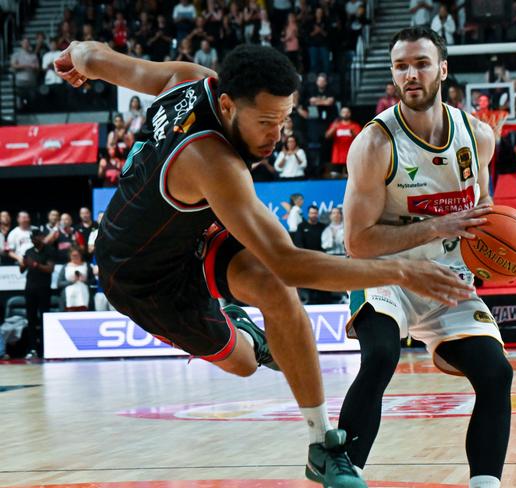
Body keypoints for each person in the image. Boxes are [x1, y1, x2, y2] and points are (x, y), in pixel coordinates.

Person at [55, 40, 472, 488]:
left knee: (276, 290)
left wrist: (74, 57)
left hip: (194, 229)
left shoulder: (190, 78)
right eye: (267, 122)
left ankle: (323, 448)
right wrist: (404, 270)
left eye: (285, 118)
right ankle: (245, 332)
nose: (276, 134)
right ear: (230, 104)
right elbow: (292, 263)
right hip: (140, 275)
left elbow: (94, 57)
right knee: (244, 362)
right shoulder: (213, 161)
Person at [338, 27, 512, 488]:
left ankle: (486, 484)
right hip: (384, 272)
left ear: (443, 69)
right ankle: (345, 474)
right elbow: (357, 242)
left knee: (496, 373)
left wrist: (491, 250)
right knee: (379, 356)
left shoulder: (477, 137)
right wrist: (435, 226)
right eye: (400, 66)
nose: (410, 74)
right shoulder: (374, 145)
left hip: (446, 274)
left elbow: (483, 213)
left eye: (420, 63)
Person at [19, 230, 55, 359]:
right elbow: (22, 270)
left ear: (42, 237)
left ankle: (46, 348)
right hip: (30, 289)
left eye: (36, 237)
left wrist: (35, 264)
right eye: (32, 238)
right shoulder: (28, 251)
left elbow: (50, 269)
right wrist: (23, 263)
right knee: (31, 319)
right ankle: (33, 348)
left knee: (44, 318)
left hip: (44, 289)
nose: (34, 240)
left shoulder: (49, 250)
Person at [325, 106, 362, 177]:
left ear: (350, 113)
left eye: (347, 112)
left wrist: (353, 133)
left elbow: (360, 139)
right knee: (335, 177)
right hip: (337, 157)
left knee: (351, 177)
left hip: (351, 157)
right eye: (343, 112)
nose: (345, 114)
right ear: (340, 113)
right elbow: (327, 136)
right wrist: (334, 128)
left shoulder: (355, 125)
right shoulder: (336, 125)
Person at [57, 246, 95, 311]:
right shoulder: (65, 266)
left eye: (77, 255)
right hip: (69, 297)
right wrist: (71, 281)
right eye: (73, 255)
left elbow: (93, 281)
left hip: (84, 297)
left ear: (81, 255)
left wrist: (84, 280)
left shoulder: (87, 265)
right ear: (70, 256)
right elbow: (59, 283)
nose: (75, 257)